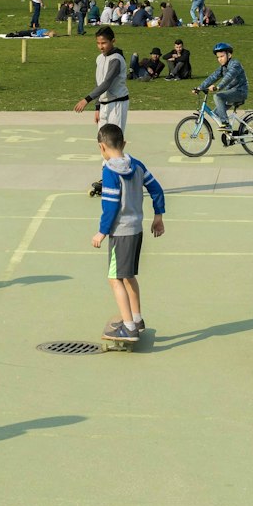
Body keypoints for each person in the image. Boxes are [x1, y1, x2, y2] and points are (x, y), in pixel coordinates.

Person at [90, 124, 165, 344]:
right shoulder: (137, 165)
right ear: (123, 144)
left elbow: (111, 206)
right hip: (136, 229)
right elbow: (156, 189)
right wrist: (158, 216)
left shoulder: (109, 171)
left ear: (101, 147)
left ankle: (129, 327)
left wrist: (102, 232)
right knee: (129, 275)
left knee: (115, 279)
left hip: (120, 233)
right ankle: (137, 319)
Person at [73, 25, 130, 135]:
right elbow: (98, 83)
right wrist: (97, 107)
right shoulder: (99, 58)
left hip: (117, 103)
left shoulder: (116, 59)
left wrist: (86, 100)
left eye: (104, 43)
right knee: (102, 139)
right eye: (98, 43)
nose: (101, 46)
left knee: (113, 141)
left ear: (113, 41)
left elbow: (107, 83)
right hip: (104, 104)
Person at [195, 41, 249, 130]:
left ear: (229, 55)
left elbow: (229, 77)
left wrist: (218, 87)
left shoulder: (235, 64)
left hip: (240, 92)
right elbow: (212, 77)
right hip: (230, 93)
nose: (220, 59)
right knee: (215, 114)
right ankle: (229, 135)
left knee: (217, 96)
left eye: (222, 56)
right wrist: (199, 87)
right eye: (218, 57)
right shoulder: (222, 68)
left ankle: (226, 123)